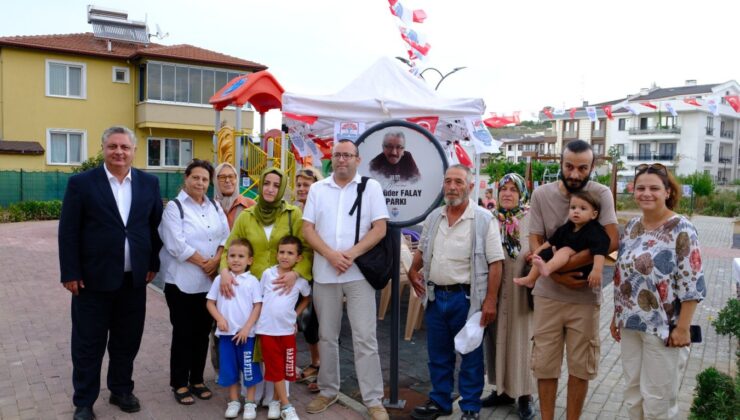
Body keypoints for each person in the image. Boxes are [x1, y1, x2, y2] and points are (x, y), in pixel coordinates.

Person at [59, 126, 163, 420]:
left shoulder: (148, 183)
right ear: (103, 148)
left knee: (127, 340)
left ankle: (120, 389)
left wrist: (153, 263)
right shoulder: (82, 183)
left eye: (125, 147)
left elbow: (154, 228)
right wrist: (70, 272)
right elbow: (68, 232)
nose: (119, 152)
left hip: (133, 281)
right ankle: (84, 401)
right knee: (88, 343)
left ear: (134, 151)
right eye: (113, 146)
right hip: (91, 281)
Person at [527, 140, 618, 420]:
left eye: (582, 168)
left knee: (581, 367)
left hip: (584, 297)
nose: (575, 174)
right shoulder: (541, 194)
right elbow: (536, 241)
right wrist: (558, 275)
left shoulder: (601, 194)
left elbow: (611, 240)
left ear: (592, 167)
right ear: (561, 164)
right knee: (545, 364)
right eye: (569, 166)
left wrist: (563, 268)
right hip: (547, 296)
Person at [408, 164, 505, 420]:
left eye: (459, 182)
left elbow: (496, 262)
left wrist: (490, 301)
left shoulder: (484, 219)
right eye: (448, 181)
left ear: (470, 187)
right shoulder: (434, 217)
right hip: (435, 296)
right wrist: (412, 270)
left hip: (466, 299)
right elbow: (422, 250)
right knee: (438, 355)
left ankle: (470, 408)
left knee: (471, 356)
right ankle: (440, 401)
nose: (452, 187)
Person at [302, 139, 390, 420]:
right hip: (325, 273)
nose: (342, 159)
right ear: (332, 158)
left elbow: (379, 229)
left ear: (357, 159)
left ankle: (373, 399)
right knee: (327, 336)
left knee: (365, 338)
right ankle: (328, 391)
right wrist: (330, 255)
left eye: (347, 155)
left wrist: (349, 255)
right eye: (337, 155)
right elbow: (307, 229)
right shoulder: (318, 188)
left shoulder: (371, 187)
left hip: (358, 273)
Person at [611, 163, 705, 419]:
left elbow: (692, 281)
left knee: (657, 401)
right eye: (641, 188)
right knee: (633, 396)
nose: (646, 193)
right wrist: (615, 316)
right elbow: (623, 276)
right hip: (631, 324)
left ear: (667, 192)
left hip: (665, 329)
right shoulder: (631, 227)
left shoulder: (681, 228)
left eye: (654, 188)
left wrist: (683, 328)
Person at [220, 167, 313, 417]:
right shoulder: (247, 216)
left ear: (282, 188)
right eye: (266, 183)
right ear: (260, 186)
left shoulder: (293, 214)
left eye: (275, 184)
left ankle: (279, 397)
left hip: (282, 289)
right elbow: (229, 247)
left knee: (279, 343)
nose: (270, 188)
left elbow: (305, 249)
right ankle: (258, 392)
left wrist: (296, 273)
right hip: (251, 289)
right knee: (256, 341)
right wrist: (225, 272)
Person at [159, 159, 230, 406]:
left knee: (202, 334)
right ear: (186, 179)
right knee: (183, 334)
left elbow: (225, 236)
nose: (200, 183)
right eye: (195, 178)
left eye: (204, 179)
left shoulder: (214, 206)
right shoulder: (174, 208)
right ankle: (179, 382)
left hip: (208, 285)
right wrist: (207, 264)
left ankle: (197, 380)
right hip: (181, 283)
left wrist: (218, 259)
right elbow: (177, 245)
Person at [480, 173, 536, 419]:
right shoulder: (490, 219)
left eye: (514, 189)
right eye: (503, 189)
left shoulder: (532, 219)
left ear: (521, 193)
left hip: (521, 291)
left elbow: (542, 248)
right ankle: (502, 390)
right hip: (496, 290)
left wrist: (535, 260)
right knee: (496, 339)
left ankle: (524, 395)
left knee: (521, 340)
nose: (507, 193)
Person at [255, 236, 312, 420]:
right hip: (268, 330)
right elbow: (260, 299)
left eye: (290, 253)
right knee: (274, 367)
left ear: (299, 258)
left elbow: (307, 298)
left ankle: (275, 401)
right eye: (281, 252)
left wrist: (295, 315)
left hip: (287, 330)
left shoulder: (299, 281)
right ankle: (286, 406)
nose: (285, 256)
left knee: (286, 368)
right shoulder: (267, 274)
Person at [206, 239, 263, 419]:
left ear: (250, 260)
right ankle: (233, 401)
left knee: (249, 369)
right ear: (227, 258)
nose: (236, 260)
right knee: (229, 369)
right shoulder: (219, 280)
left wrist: (247, 328)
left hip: (247, 336)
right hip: (226, 336)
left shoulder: (253, 281)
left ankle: (250, 402)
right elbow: (210, 303)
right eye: (232, 256)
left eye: (241, 256)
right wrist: (219, 318)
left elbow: (257, 306)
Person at [210, 162, 256, 377]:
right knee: (218, 325)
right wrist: (221, 269)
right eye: (222, 177)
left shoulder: (249, 205)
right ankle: (223, 371)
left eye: (232, 176)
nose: (227, 180)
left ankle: (246, 369)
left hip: (242, 277)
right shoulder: (208, 206)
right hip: (213, 274)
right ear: (215, 181)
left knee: (243, 319)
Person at [514, 191, 609, 290]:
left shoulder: (595, 230)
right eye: (573, 208)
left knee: (565, 249)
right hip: (562, 263)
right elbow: (551, 241)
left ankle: (547, 268)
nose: (576, 211)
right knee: (544, 252)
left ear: (594, 215)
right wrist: (536, 253)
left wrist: (597, 270)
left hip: (583, 269)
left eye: (583, 208)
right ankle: (531, 279)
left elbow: (600, 249)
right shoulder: (568, 227)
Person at [292, 168, 324, 391]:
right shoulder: (295, 211)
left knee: (320, 323)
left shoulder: (321, 210)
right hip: (300, 274)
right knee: (306, 322)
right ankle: (315, 363)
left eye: (307, 185)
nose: (302, 189)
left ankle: (323, 370)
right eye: (299, 185)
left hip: (320, 273)